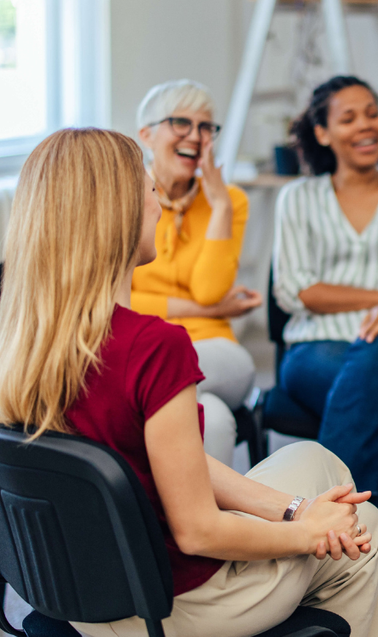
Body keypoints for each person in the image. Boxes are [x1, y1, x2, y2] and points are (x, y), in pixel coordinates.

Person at [0, 128, 378, 637]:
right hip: (172, 606)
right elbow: (197, 532)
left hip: (76, 593)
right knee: (363, 525)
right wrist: (306, 534)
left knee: (315, 461)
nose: (160, 207)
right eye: (151, 192)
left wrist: (295, 511)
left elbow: (164, 462)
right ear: (118, 213)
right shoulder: (153, 345)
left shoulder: (22, 339)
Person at [274, 75, 378, 636]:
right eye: (349, 117)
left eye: (372, 113)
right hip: (315, 350)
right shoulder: (297, 198)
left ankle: (318, 536)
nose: (366, 125)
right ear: (322, 132)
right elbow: (297, 291)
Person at [131, 79, 260, 465]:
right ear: (146, 135)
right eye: (181, 123)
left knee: (180, 386)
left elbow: (208, 289)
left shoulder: (230, 201)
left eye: (206, 127)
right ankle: (201, 525)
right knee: (214, 420)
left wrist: (219, 206)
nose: (197, 136)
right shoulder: (124, 198)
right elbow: (114, 298)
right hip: (144, 345)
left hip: (215, 354)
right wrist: (211, 310)